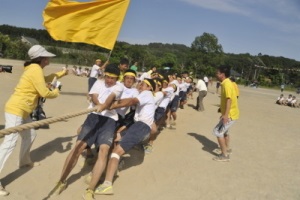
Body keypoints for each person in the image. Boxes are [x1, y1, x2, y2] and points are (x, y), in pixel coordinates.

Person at [0, 45, 67, 196]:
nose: (49, 58)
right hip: (16, 109)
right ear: (43, 58)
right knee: (9, 143)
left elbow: (44, 80)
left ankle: (24, 161)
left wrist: (62, 73)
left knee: (30, 134)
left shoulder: (34, 68)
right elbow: (44, 92)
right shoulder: (35, 69)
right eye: (47, 57)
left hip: (23, 110)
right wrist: (57, 91)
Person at [50, 64, 123, 200]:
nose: (109, 80)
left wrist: (104, 106)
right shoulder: (97, 83)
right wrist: (98, 105)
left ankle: (90, 190)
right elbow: (94, 96)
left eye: (112, 78)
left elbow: (110, 99)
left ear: (117, 78)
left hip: (109, 121)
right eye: (107, 77)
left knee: (103, 150)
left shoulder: (119, 87)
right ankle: (61, 181)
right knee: (78, 148)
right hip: (93, 116)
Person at [94, 78, 156, 195]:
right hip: (138, 126)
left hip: (140, 127)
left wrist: (110, 105)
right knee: (116, 138)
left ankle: (107, 184)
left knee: (116, 152)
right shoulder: (146, 97)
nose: (140, 85)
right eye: (140, 83)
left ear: (149, 88)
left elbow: (131, 101)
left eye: (143, 84)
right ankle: (112, 168)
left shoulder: (147, 93)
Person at [212, 65, 239, 162]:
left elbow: (229, 100)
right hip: (230, 113)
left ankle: (224, 155)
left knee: (217, 132)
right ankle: (227, 148)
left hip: (231, 115)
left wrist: (226, 115)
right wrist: (222, 111)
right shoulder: (226, 83)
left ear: (222, 74)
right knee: (225, 131)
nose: (216, 74)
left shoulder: (226, 84)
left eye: (217, 73)